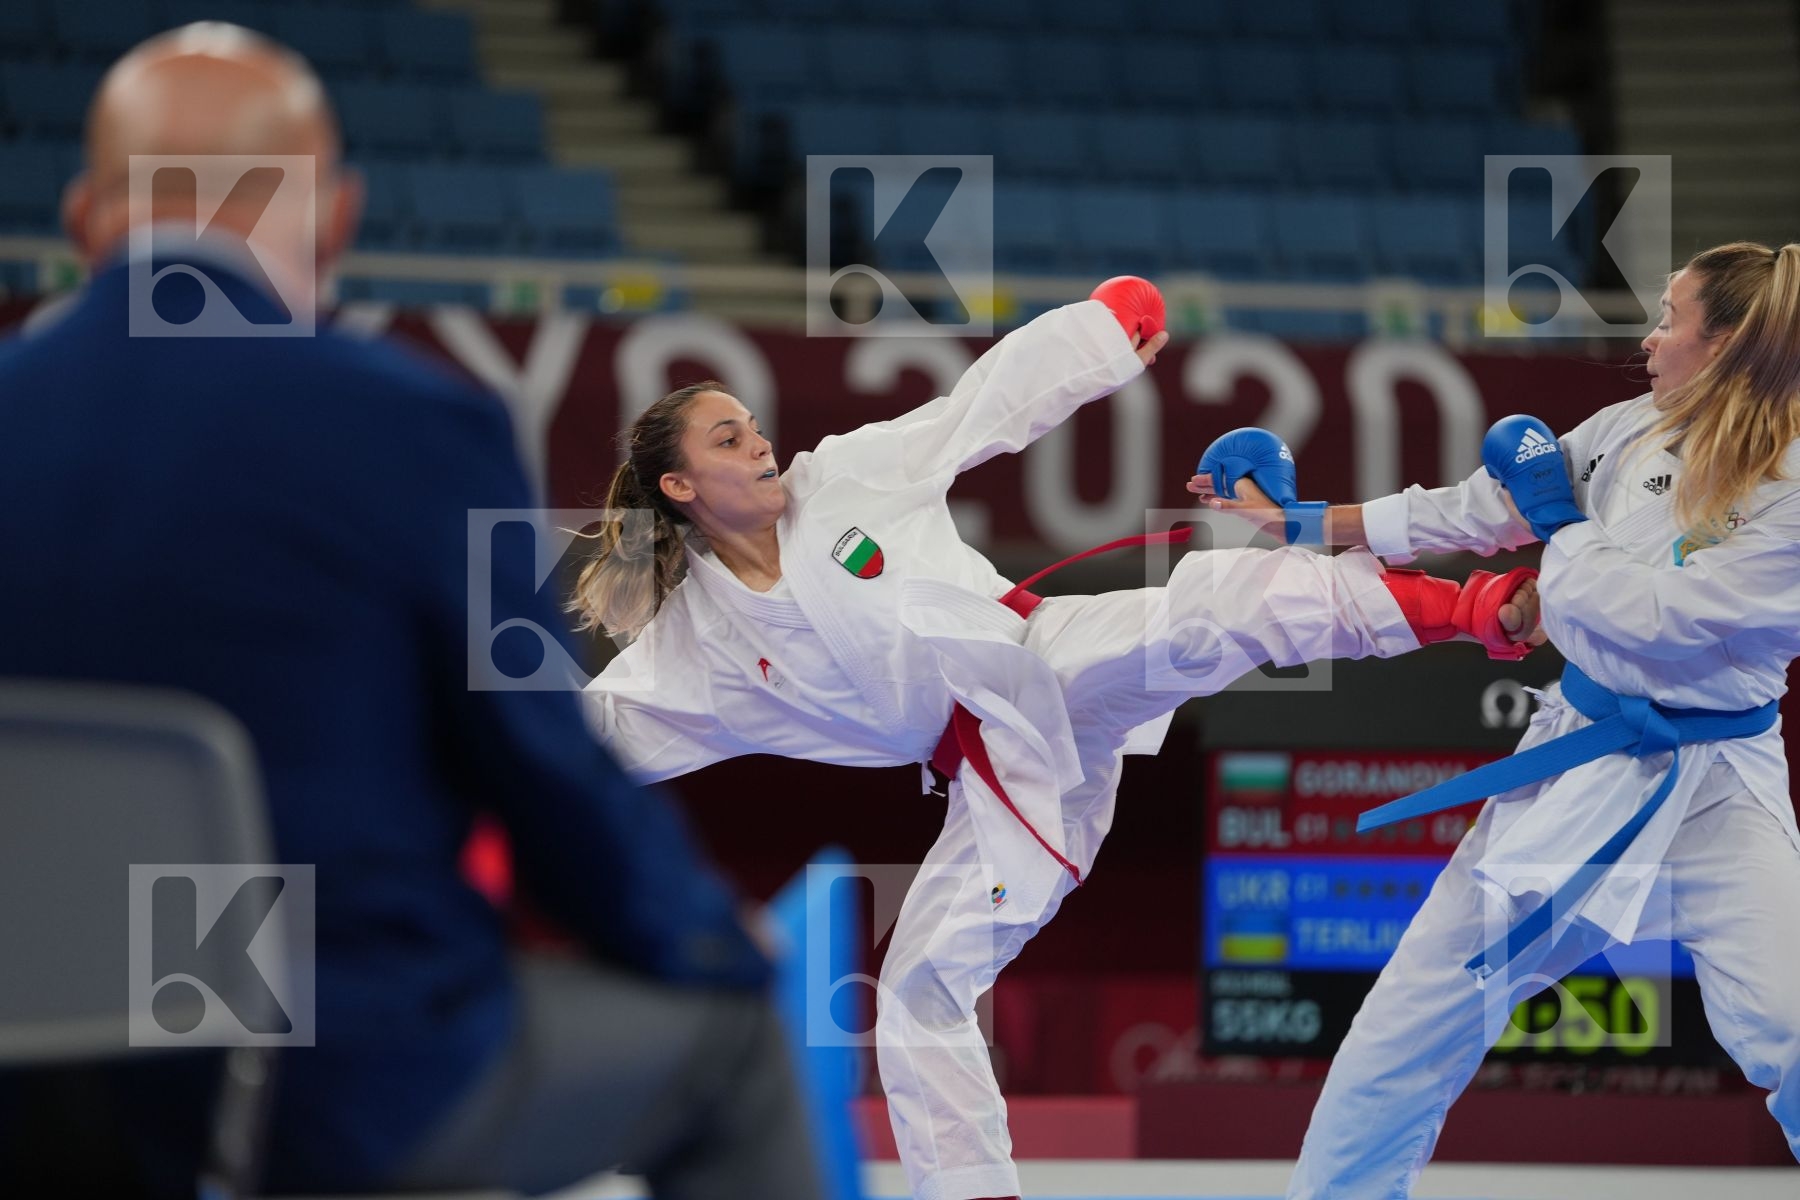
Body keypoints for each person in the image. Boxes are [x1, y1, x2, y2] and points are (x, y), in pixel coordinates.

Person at [0, 24, 825, 1199]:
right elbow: (548, 779)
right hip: (339, 1081)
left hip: (31, 1094)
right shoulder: (416, 432)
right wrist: (702, 936)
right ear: (336, 219)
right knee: (732, 1045)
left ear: (85, 217)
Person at [573, 279, 1545, 1200]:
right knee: (918, 986)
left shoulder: (849, 477)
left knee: (1218, 603)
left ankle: (1474, 606)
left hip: (1050, 657)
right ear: (681, 483)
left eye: (752, 426)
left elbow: (981, 404)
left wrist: (1100, 334)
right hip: (998, 784)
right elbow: (588, 741)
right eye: (729, 438)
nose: (761, 442)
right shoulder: (699, 643)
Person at [1197, 242, 1800, 1196]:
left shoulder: (1793, 493)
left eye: (1670, 319)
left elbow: (1647, 615)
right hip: (1573, 764)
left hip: (1720, 788)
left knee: (1792, 1028)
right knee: (1410, 1023)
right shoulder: (1628, 430)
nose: (1648, 338)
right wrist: (1306, 524)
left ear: (1728, 345)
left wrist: (1563, 530)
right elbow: (1476, 509)